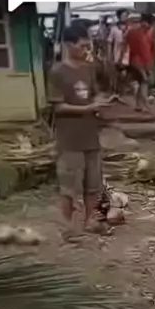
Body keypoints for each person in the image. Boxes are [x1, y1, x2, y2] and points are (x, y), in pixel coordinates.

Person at [47, 23, 104, 240]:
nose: (86, 49)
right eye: (82, 46)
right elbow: (58, 107)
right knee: (69, 185)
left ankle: (90, 220)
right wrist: (86, 109)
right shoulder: (58, 72)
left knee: (93, 183)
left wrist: (99, 103)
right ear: (69, 45)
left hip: (91, 136)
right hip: (69, 138)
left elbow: (95, 94)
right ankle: (67, 226)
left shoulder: (89, 68)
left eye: (88, 45)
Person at [126, 13, 155, 111]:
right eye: (150, 24)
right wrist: (146, 67)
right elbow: (142, 51)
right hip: (138, 62)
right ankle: (144, 105)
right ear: (144, 23)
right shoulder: (139, 34)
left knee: (140, 83)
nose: (150, 26)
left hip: (138, 61)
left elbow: (150, 49)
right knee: (144, 82)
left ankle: (139, 105)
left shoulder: (141, 33)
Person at [108, 8, 130, 103]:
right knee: (115, 75)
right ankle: (114, 93)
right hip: (116, 55)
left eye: (126, 15)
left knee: (124, 76)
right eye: (123, 15)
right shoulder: (114, 29)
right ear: (119, 16)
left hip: (127, 55)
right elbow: (109, 42)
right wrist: (109, 55)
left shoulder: (130, 28)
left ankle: (121, 94)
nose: (125, 17)